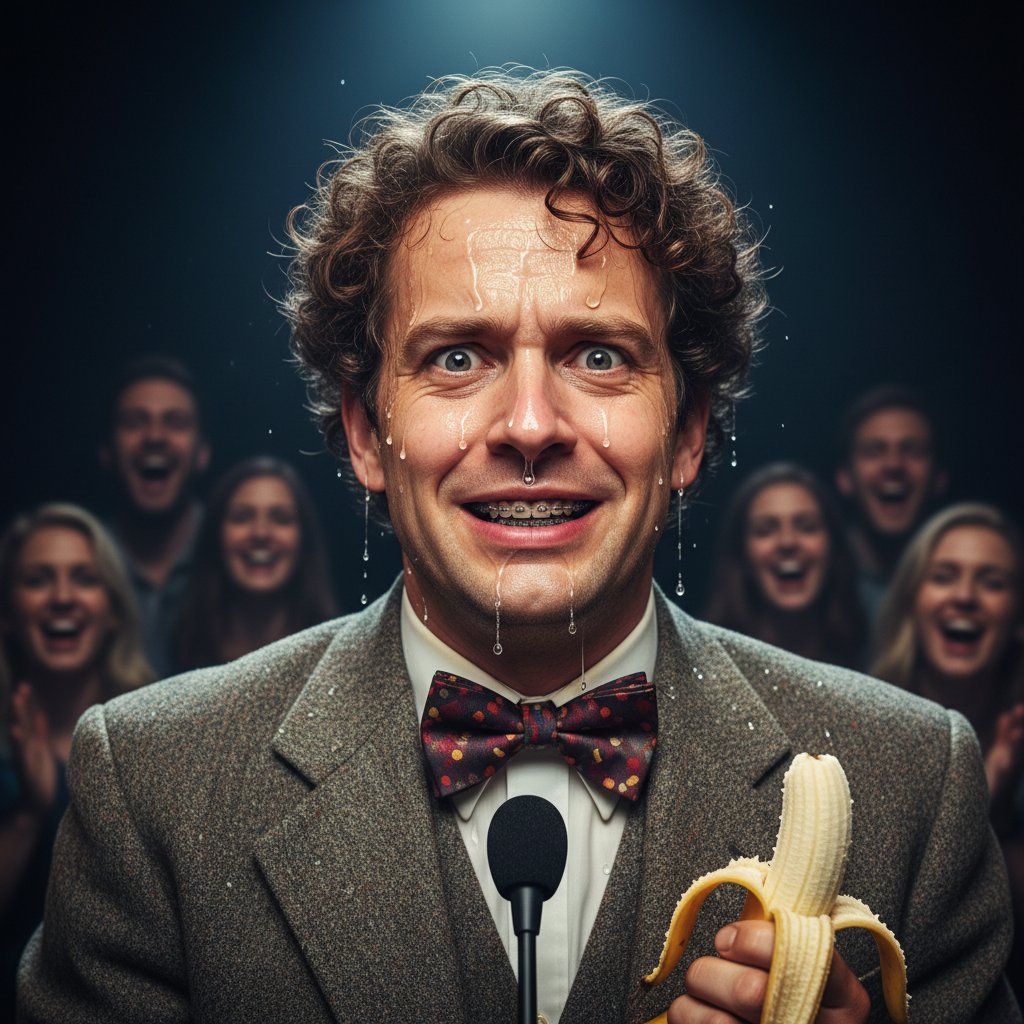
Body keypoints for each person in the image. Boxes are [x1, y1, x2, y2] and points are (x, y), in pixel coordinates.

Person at [18, 69, 1017, 1023]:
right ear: (368, 431)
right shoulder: (151, 787)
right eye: (458, 357)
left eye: (597, 355)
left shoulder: (911, 785)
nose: (531, 423)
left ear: (690, 431)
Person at [0, 504, 151, 1014]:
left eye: (84, 578)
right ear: (7, 611)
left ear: (112, 607)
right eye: (38, 579)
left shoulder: (158, 729)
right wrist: (28, 815)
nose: (62, 598)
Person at [872, 503, 1024, 996]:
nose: (965, 597)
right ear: (913, 601)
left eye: (992, 582)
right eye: (944, 576)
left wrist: (996, 803)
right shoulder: (861, 725)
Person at [100, 354, 211, 677]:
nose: (155, 437)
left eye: (175, 422)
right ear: (106, 450)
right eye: (134, 422)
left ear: (202, 452)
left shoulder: (234, 554)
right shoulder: (83, 565)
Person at [173, 457, 336, 670]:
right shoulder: (175, 647)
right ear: (215, 534)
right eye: (242, 517)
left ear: (304, 538)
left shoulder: (336, 653)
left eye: (280, 518)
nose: (261, 533)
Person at [705, 463, 867, 668]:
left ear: (833, 546)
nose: (787, 542)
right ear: (741, 554)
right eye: (765, 530)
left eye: (807, 527)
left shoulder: (874, 655)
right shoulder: (706, 662)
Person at [834, 385, 947, 622]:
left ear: (939, 477)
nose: (894, 465)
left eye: (913, 451)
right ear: (845, 477)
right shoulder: (814, 578)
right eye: (874, 451)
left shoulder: (964, 589)